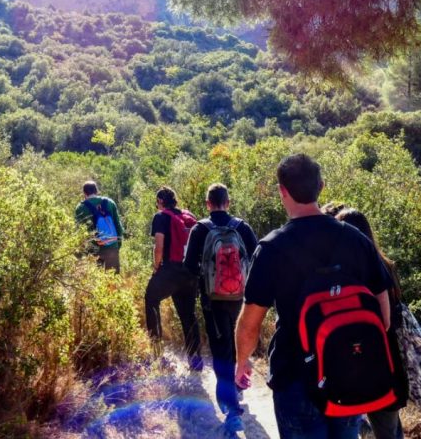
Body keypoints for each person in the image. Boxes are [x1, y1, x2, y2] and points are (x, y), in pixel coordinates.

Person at [234, 154, 392, 439]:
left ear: (282, 191)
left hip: (295, 377)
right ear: (321, 186)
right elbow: (384, 316)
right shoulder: (357, 240)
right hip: (349, 375)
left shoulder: (272, 248)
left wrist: (242, 361)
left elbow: (250, 322)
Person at [323, 203, 408, 439]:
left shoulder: (344, 274)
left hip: (356, 361)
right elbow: (392, 320)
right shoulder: (385, 267)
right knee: (389, 430)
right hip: (387, 362)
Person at [184, 183, 259, 432]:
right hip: (241, 299)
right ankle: (237, 389)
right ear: (228, 202)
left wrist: (207, 279)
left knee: (222, 351)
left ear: (208, 203)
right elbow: (257, 257)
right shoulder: (241, 227)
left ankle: (231, 410)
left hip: (213, 302)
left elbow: (188, 266)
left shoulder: (201, 229)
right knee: (241, 345)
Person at [145, 186, 202, 370]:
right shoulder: (188, 216)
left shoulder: (161, 217)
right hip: (190, 272)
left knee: (151, 299)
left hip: (170, 271)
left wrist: (156, 267)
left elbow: (159, 246)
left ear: (160, 201)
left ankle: (157, 354)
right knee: (188, 315)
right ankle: (196, 361)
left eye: (157, 202)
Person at [75, 181, 124, 272]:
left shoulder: (80, 208)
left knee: (95, 282)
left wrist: (81, 254)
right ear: (96, 191)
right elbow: (118, 226)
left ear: (84, 193)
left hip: (92, 250)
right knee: (112, 281)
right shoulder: (110, 203)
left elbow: (79, 233)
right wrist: (117, 245)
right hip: (111, 246)